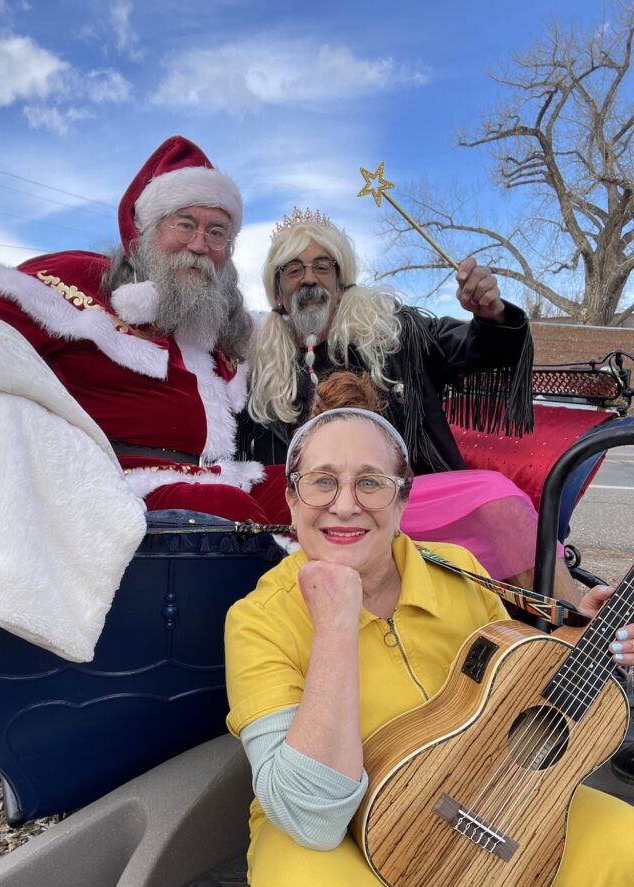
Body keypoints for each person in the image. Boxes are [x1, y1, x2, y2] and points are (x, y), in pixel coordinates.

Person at [225, 371, 634, 887]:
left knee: (627, 852)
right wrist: (334, 625)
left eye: (370, 482)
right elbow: (309, 816)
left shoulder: (456, 568)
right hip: (342, 833)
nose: (345, 504)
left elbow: (513, 679)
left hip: (479, 792)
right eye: (323, 481)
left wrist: (587, 635)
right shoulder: (259, 618)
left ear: (403, 495)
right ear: (294, 499)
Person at [238, 207, 579, 600]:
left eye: (322, 266)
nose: (310, 278)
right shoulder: (258, 365)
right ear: (277, 291)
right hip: (313, 509)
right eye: (294, 270)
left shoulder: (396, 332)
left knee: (496, 499)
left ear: (340, 280)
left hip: (405, 499)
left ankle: (570, 633)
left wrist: (492, 315)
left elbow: (476, 348)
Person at [0, 135, 273, 522]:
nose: (199, 244)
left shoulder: (213, 325)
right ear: (146, 229)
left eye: (216, 232)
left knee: (314, 492)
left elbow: (291, 341)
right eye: (184, 224)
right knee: (230, 511)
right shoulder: (81, 279)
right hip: (108, 485)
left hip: (212, 476)